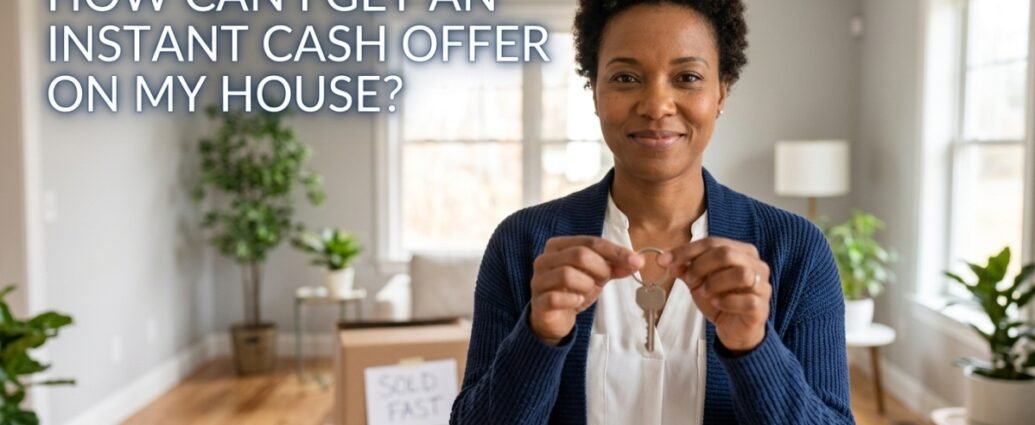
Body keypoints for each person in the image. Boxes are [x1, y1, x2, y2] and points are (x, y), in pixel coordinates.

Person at [449, 0, 854, 423]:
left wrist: (754, 347)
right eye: (625, 78)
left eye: (687, 77)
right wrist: (540, 336)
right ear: (595, 91)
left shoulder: (796, 251)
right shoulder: (521, 244)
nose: (657, 105)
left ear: (721, 92)